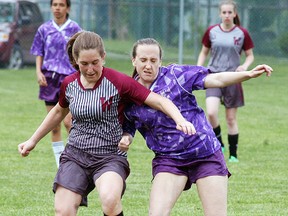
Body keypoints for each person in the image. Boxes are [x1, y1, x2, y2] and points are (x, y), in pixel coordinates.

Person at [18, 31, 195, 216]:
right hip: (75, 155)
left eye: (95, 62)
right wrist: (33, 140)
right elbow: (58, 111)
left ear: (103, 57)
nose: (90, 69)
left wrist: (180, 119)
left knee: (110, 200)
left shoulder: (119, 82)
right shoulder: (69, 84)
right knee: (63, 211)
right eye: (84, 64)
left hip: (110, 156)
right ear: (76, 60)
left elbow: (159, 101)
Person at [118, 38, 272, 216]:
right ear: (133, 60)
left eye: (153, 60)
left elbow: (217, 79)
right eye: (143, 60)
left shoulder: (176, 75)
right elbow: (128, 125)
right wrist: (126, 137)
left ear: (160, 61)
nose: (148, 66)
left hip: (204, 153)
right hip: (169, 159)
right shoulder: (129, 93)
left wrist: (248, 74)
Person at [197, 0, 255, 162]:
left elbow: (250, 55)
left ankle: (233, 155)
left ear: (235, 14)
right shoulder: (212, 31)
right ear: (220, 14)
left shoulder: (242, 33)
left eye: (230, 12)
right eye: (224, 12)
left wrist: (244, 66)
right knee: (211, 112)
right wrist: (198, 68)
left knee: (231, 119)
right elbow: (203, 52)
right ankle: (219, 142)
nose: (227, 15)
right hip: (214, 77)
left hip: (233, 78)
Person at [30, 0, 81, 168]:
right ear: (51, 7)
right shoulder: (44, 29)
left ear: (68, 8)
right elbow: (39, 51)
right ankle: (61, 165)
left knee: (69, 122)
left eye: (61, 5)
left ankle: (77, 158)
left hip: (69, 79)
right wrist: (39, 72)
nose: (57, 8)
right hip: (50, 79)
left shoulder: (75, 28)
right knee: (54, 125)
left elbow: (81, 52)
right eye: (55, 4)